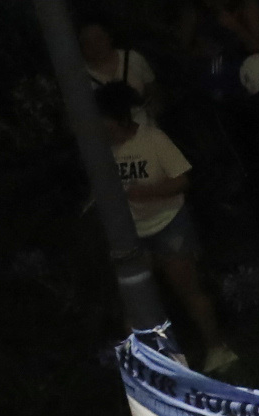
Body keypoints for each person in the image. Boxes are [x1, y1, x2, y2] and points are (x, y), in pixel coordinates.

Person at [94, 83, 231, 367]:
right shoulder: (102, 150)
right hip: (132, 232)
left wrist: (145, 193)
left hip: (168, 225)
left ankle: (216, 348)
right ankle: (155, 365)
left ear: (118, 118)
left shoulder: (153, 139)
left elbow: (182, 180)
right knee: (134, 303)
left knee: (188, 291)